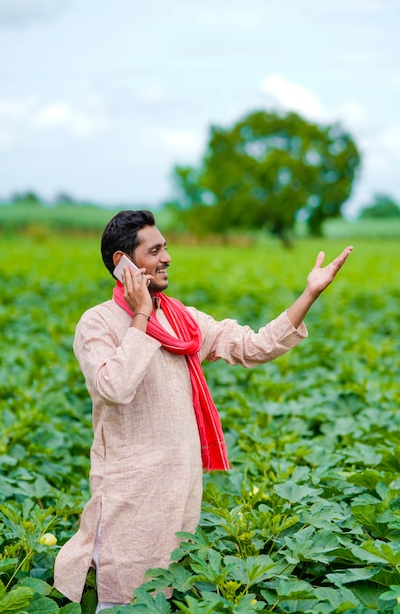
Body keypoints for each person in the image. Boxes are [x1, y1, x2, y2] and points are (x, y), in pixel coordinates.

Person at [54, 210, 353, 611]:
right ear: (122, 263)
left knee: (174, 594)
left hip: (181, 487)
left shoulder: (182, 319)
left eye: (166, 248)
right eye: (155, 250)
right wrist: (141, 313)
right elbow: (115, 387)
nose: (167, 257)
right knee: (127, 598)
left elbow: (254, 346)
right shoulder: (98, 324)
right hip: (132, 494)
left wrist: (309, 294)